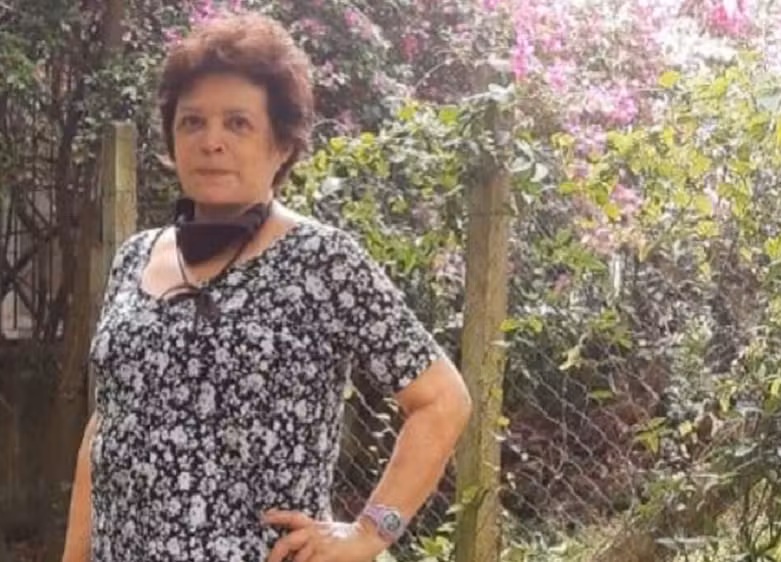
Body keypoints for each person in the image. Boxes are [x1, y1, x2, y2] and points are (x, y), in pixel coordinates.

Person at [60, 11, 472, 562]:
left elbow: (442, 401)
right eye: (192, 122)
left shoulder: (323, 262)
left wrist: (371, 532)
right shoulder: (135, 257)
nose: (211, 141)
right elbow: (105, 427)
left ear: (281, 145)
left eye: (237, 123)